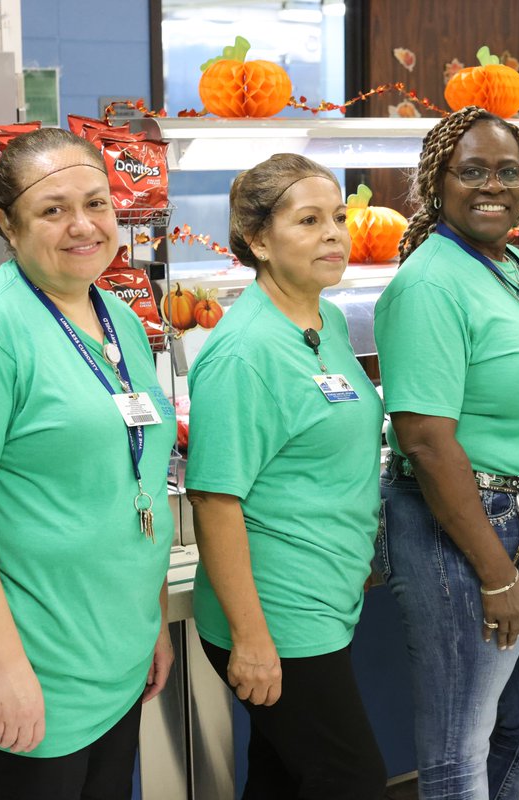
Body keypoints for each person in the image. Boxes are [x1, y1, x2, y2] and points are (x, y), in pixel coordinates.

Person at [0, 127, 175, 799]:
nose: (82, 226)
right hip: (28, 667)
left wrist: (150, 618)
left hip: (113, 655)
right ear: (6, 223)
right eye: (52, 209)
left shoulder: (118, 319)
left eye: (96, 203)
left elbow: (140, 476)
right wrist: (6, 668)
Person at [373, 107, 519, 800]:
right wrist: (496, 575)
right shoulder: (430, 283)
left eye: (506, 172)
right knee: (459, 741)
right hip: (472, 529)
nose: (490, 186)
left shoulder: (506, 260)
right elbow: (427, 443)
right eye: (471, 171)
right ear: (438, 183)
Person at [185, 154, 387, 799]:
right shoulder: (245, 352)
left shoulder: (321, 319)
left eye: (337, 217)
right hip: (279, 614)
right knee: (350, 781)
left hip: (323, 596)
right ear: (258, 240)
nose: (334, 233)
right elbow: (216, 499)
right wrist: (251, 640)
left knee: (282, 780)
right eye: (308, 220)